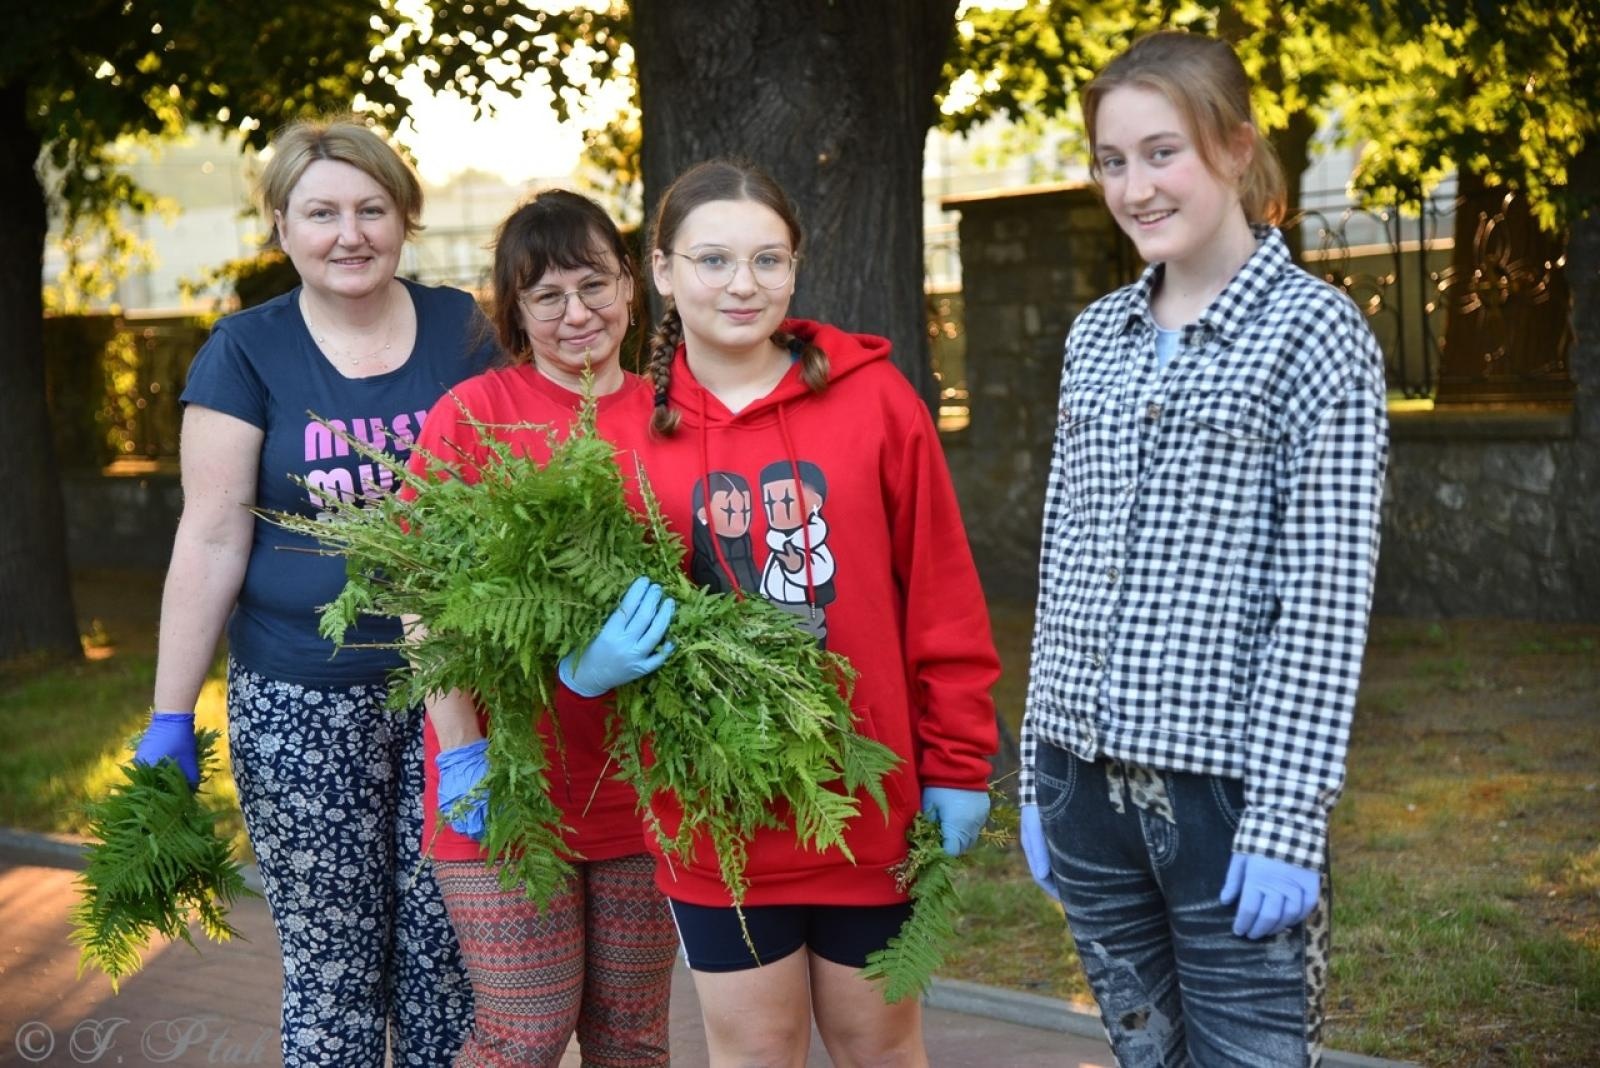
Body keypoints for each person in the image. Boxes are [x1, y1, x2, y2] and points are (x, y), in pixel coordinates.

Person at [1016, 31, 1390, 1067]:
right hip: (1078, 785)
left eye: (1161, 151)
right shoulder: (1094, 337)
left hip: (1225, 799)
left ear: (1233, 148)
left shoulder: (1314, 336)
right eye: (1110, 159)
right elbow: (1063, 561)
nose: (1133, 185)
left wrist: (1285, 817)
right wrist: (1032, 776)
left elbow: (1321, 601)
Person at [130, 116, 490, 1066]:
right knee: (332, 973)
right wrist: (171, 714)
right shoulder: (245, 353)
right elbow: (210, 535)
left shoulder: (465, 330)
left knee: (451, 965)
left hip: (454, 701)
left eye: (372, 208)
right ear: (281, 225)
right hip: (299, 700)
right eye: (322, 211)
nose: (350, 233)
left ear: (405, 218)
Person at [639, 158, 1002, 1066]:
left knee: (878, 1044)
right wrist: (586, 662)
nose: (742, 284)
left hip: (870, 797)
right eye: (713, 260)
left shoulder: (875, 401)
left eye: (769, 260)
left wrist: (958, 761)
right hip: (718, 814)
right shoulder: (624, 433)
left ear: (796, 269)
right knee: (755, 1051)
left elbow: (943, 594)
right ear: (662, 271)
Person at [404, 189, 680, 1067]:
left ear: (632, 287)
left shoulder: (677, 416)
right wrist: (462, 753)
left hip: (643, 783)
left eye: (594, 284)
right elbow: (423, 600)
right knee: (522, 1034)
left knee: (632, 1039)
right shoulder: (474, 418)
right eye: (546, 295)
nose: (577, 314)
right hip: (509, 784)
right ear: (515, 311)